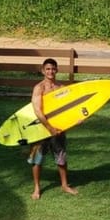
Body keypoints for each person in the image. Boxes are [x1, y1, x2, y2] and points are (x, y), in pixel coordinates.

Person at [28, 58, 78, 200]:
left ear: (57, 70)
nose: (51, 71)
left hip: (58, 129)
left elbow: (68, 109)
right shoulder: (39, 88)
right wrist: (49, 128)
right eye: (48, 69)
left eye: (53, 69)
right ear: (43, 70)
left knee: (61, 156)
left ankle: (64, 185)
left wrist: (76, 120)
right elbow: (38, 111)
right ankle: (37, 188)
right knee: (37, 158)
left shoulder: (61, 88)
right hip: (41, 128)